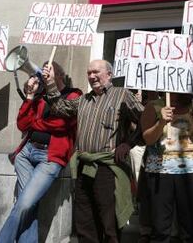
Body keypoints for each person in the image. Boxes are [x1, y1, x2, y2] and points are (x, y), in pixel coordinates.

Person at [42, 59, 143, 243]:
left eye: (96, 72)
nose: (91, 76)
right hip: (83, 166)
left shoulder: (123, 95)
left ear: (109, 75)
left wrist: (128, 143)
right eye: (89, 73)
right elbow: (59, 108)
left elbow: (145, 120)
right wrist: (50, 83)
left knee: (109, 222)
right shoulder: (84, 99)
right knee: (85, 222)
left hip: (108, 168)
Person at [0, 62, 82, 243]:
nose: (42, 76)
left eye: (47, 72)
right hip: (26, 155)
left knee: (25, 204)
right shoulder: (40, 96)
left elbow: (62, 124)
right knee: (28, 205)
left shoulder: (74, 95)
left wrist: (36, 123)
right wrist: (29, 96)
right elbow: (22, 124)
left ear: (58, 74)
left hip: (49, 158)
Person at [141, 93, 193, 243]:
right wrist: (161, 123)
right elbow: (147, 138)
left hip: (191, 170)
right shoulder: (154, 107)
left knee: (190, 226)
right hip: (160, 171)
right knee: (160, 227)